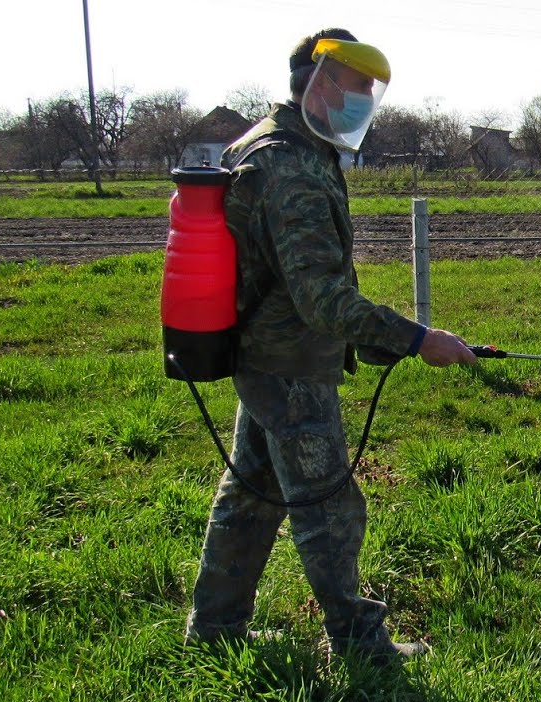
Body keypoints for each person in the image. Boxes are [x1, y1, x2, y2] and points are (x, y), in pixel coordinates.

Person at [184, 28, 477, 664]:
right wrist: (418, 338)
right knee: (329, 510)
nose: (363, 106)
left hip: (262, 357)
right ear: (320, 83)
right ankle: (359, 643)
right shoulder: (290, 167)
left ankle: (214, 627)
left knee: (252, 496)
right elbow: (320, 299)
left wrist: (380, 344)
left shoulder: (273, 144)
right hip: (288, 366)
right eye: (357, 91)